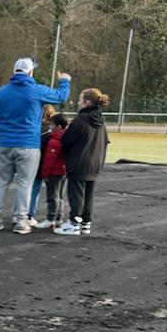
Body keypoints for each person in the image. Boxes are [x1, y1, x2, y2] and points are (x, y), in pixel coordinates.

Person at [0, 57, 71, 234]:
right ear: (30, 72)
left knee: (1, 182)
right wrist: (64, 81)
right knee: (25, 184)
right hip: (28, 144)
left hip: (5, 143)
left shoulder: (1, 92)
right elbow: (61, 96)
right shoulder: (36, 90)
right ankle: (20, 221)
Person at [55, 88, 111, 236]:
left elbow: (66, 141)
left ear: (86, 102)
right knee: (88, 195)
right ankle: (86, 223)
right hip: (95, 163)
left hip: (79, 163)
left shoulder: (80, 120)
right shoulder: (101, 121)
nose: (79, 103)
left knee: (76, 195)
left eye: (80, 100)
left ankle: (74, 224)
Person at [33, 113, 68, 229]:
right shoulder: (65, 137)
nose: (50, 127)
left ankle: (50, 219)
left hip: (55, 172)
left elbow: (49, 161)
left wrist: (45, 174)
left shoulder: (54, 141)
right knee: (60, 196)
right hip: (63, 171)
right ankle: (58, 218)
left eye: (52, 125)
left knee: (52, 196)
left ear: (58, 126)